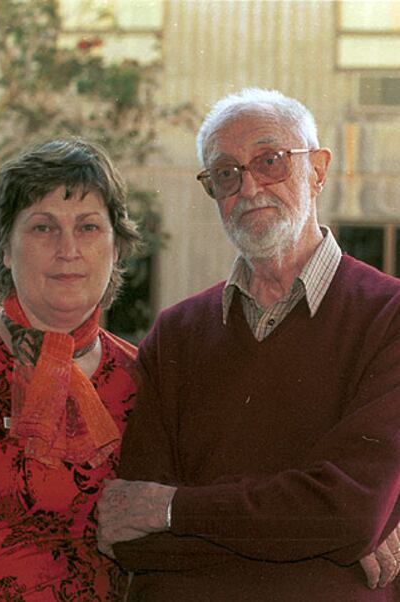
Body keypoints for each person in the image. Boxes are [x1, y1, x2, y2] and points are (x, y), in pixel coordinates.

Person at [97, 89, 400, 601]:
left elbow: (349, 512)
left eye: (270, 160)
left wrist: (175, 510)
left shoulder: (387, 316)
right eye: (225, 173)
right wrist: (323, 538)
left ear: (319, 169)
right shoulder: (175, 335)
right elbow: (129, 537)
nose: (250, 185)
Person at [0, 137, 140, 601]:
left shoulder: (147, 381)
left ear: (116, 249)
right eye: (42, 228)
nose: (67, 249)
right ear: (6, 250)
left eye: (89, 227)